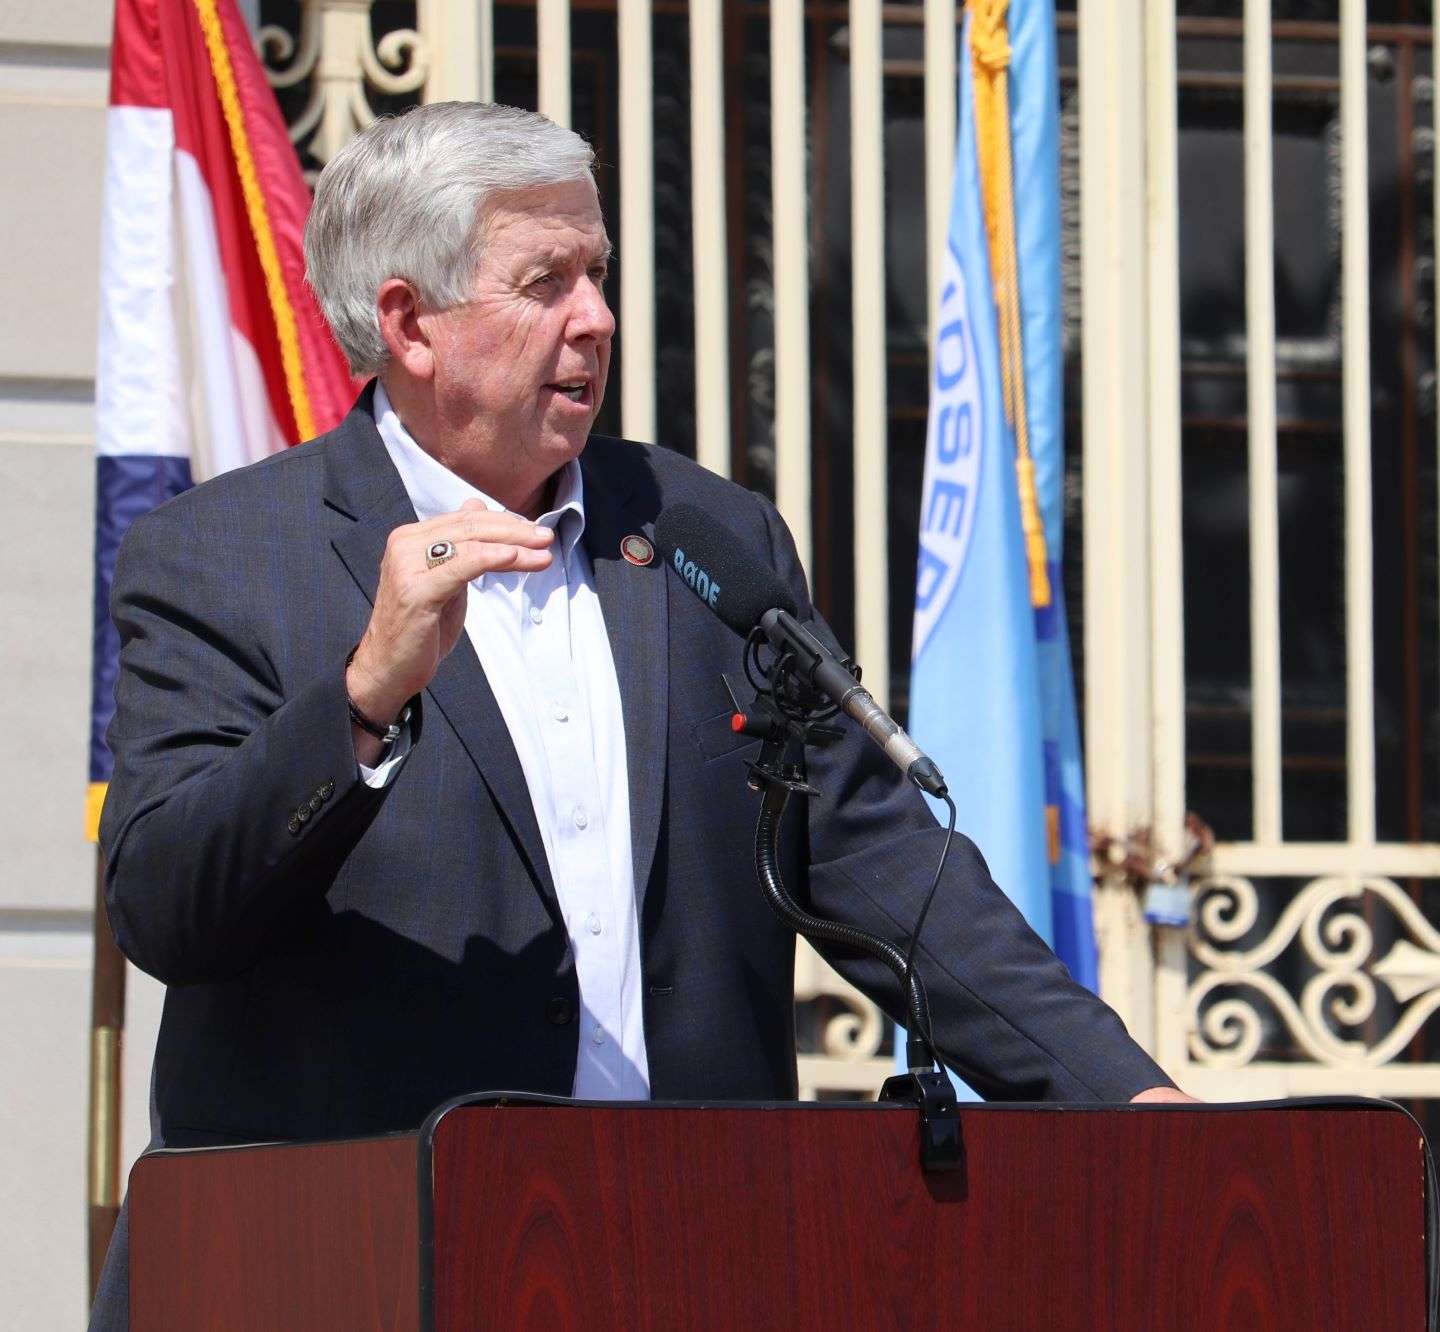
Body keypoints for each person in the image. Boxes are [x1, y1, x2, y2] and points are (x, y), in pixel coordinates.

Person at [87, 101, 1187, 1328]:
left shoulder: (700, 536)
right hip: (351, 1268)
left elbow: (877, 858)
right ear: (409, 324)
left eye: (598, 273)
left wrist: (1130, 1106)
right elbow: (168, 906)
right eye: (544, 279)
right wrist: (360, 700)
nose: (597, 319)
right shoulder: (224, 554)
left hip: (680, 1254)